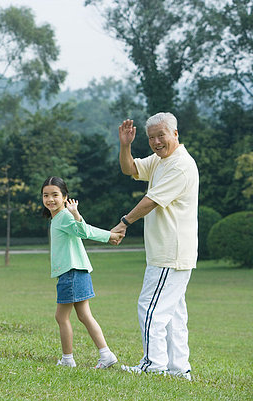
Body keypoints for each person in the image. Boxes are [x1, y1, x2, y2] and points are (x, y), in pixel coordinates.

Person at [112, 113, 199, 381]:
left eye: (161, 135)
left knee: (150, 307)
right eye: (151, 138)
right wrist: (125, 145)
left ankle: (153, 365)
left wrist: (124, 222)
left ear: (175, 133)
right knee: (173, 313)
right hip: (171, 252)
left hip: (169, 252)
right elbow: (130, 170)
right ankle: (178, 369)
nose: (156, 142)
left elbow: (150, 201)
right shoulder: (162, 160)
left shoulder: (180, 165)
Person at [41, 176, 123, 369]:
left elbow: (84, 231)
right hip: (77, 271)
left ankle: (68, 360)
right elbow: (82, 229)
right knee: (84, 315)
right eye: (46, 195)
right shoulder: (58, 218)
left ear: (65, 197)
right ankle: (106, 354)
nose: (50, 199)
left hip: (71, 273)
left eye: (55, 195)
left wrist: (109, 236)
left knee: (62, 317)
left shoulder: (64, 217)